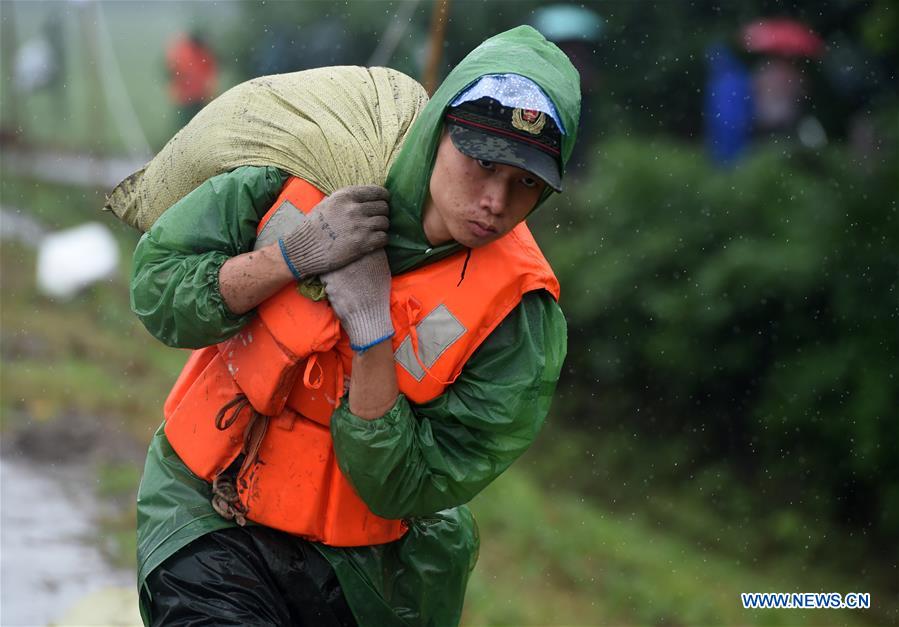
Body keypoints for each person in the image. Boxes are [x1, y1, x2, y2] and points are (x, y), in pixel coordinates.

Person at [131, 26, 580, 626]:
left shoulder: (521, 315)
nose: (496, 202)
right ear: (437, 131)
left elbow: (411, 485)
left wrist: (373, 336)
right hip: (205, 509)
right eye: (481, 163)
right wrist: (288, 257)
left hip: (365, 574)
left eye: (526, 183)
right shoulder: (312, 163)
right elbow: (157, 289)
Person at [165, 30, 218, 128]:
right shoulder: (187, 53)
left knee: (194, 126)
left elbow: (210, 73)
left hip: (197, 97)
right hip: (188, 98)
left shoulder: (203, 54)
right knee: (189, 126)